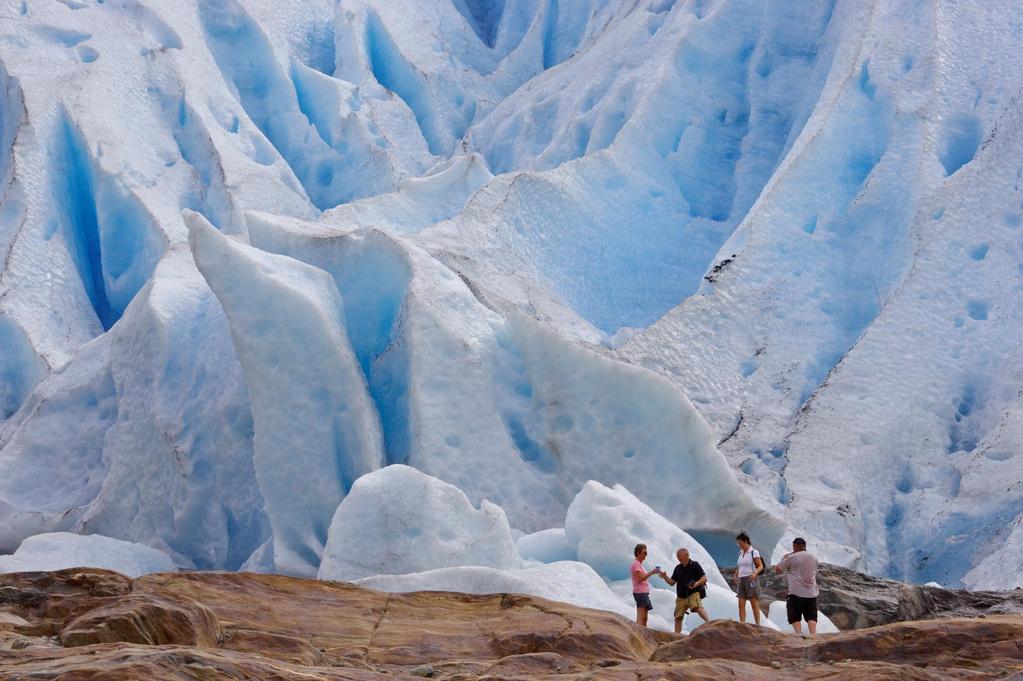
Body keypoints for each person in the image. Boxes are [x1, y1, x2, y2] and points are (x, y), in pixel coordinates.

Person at [774, 537, 819, 636]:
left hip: (796, 593)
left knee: (794, 614)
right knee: (811, 615)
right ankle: (813, 635)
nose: (793, 548)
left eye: (794, 546)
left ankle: (799, 633)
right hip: (811, 593)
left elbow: (778, 569)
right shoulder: (814, 557)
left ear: (797, 546)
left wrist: (784, 558)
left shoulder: (792, 557)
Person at [659, 547, 710, 633]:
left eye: (679, 556)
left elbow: (704, 578)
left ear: (686, 555)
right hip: (681, 596)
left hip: (693, 593)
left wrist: (696, 584)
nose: (678, 558)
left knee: (697, 607)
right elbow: (672, 582)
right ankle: (677, 636)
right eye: (677, 556)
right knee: (678, 617)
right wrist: (665, 577)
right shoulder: (678, 568)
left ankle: (709, 622)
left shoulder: (695, 565)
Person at [734, 531, 764, 625]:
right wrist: (735, 574)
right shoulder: (740, 552)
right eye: (738, 543)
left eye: (740, 543)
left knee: (753, 602)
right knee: (741, 602)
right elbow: (740, 565)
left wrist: (755, 573)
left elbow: (760, 566)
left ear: (746, 541)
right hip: (741, 579)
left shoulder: (753, 552)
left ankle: (757, 624)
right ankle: (742, 623)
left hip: (751, 578)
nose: (739, 545)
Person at [630, 543, 660, 627]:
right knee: (641, 617)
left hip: (643, 593)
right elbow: (639, 579)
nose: (646, 555)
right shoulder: (636, 564)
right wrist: (652, 572)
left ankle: (644, 634)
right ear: (638, 553)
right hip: (640, 593)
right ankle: (639, 635)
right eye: (644, 553)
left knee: (644, 618)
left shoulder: (639, 565)